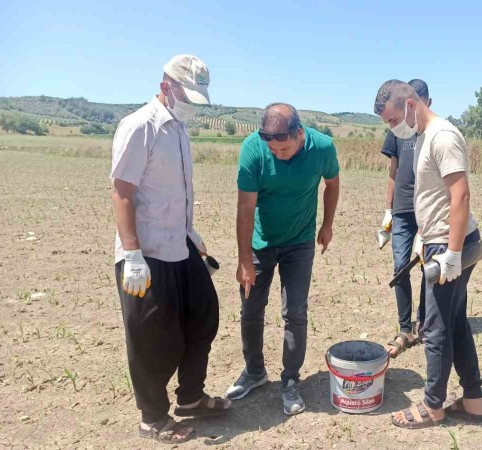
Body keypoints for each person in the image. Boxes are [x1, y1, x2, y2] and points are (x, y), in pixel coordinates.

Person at [110, 54, 230, 444]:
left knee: (203, 317)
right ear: (166, 86)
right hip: (146, 254)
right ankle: (152, 417)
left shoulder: (179, 131)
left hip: (179, 245)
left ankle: (191, 398)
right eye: (188, 97)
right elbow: (122, 192)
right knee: (152, 337)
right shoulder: (139, 126)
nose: (192, 107)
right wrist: (131, 255)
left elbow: (174, 193)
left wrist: (191, 235)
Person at [374, 80, 482, 429]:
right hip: (438, 241)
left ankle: (432, 406)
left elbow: (461, 195)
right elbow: (433, 197)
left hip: (451, 246)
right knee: (454, 323)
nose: (394, 128)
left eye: (394, 120)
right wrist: (423, 235)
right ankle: (474, 401)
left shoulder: (443, 136)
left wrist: (451, 253)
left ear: (411, 104)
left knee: (435, 330)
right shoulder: (422, 137)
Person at [227, 103, 340, 416]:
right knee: (250, 308)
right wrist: (244, 259)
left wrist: (327, 224)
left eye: (285, 149)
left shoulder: (323, 147)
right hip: (261, 242)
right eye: (272, 149)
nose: (278, 155)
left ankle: (290, 379)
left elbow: (332, 183)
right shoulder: (253, 150)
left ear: (299, 134)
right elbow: (245, 208)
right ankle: (254, 372)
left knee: (295, 312)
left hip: (299, 242)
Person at [381, 80, 431, 358]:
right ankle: (405, 328)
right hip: (401, 209)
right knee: (400, 266)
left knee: (426, 265)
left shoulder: (430, 130)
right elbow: (393, 169)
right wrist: (387, 210)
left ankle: (423, 322)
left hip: (425, 209)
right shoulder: (397, 131)